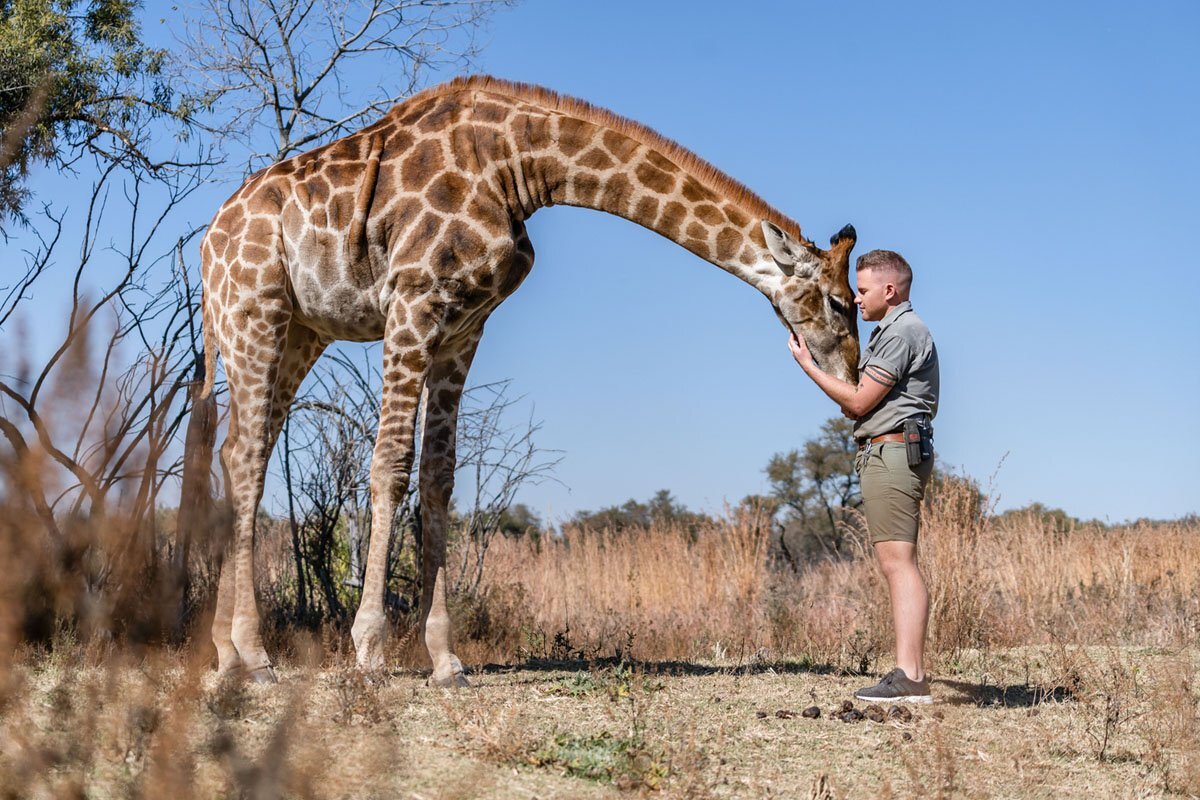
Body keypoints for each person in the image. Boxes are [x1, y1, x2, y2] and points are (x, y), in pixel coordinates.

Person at [787, 249, 939, 704]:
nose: (856, 298)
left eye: (865, 289)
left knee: (899, 564)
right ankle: (908, 673)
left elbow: (856, 402)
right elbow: (859, 399)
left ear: (889, 290)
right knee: (897, 563)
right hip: (888, 451)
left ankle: (910, 676)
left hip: (892, 452)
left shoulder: (902, 333)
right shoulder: (892, 333)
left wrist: (807, 366)